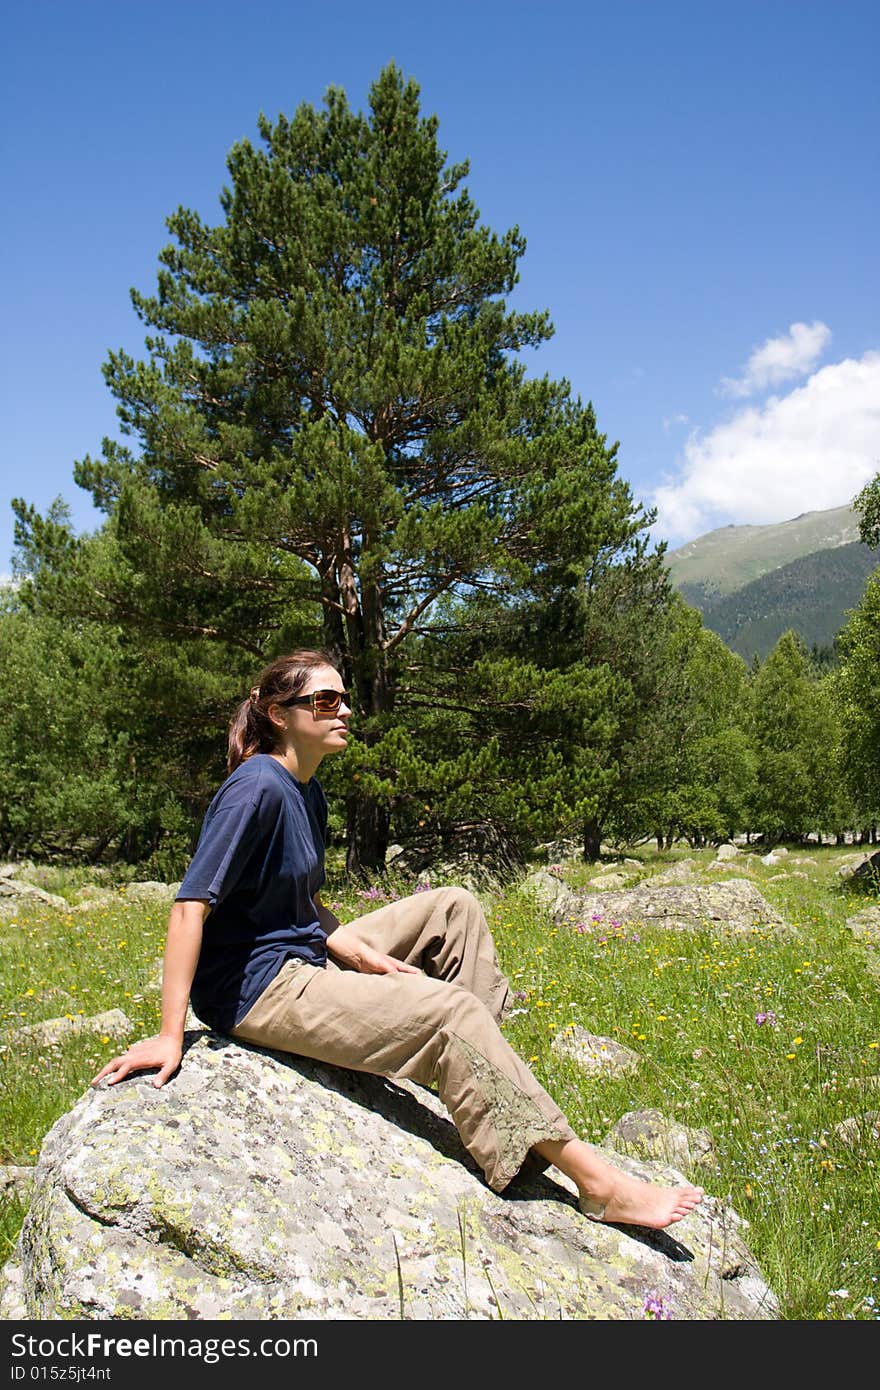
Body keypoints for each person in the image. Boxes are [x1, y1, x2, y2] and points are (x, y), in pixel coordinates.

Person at [93, 649, 703, 1230]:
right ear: (280, 716)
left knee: (454, 908)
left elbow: (295, 898)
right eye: (326, 701)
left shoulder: (306, 788)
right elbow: (189, 906)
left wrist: (353, 950)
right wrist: (171, 1033)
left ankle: (488, 1095)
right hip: (257, 987)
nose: (345, 711)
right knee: (449, 1012)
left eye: (344, 699)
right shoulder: (256, 786)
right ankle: (598, 1185)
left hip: (305, 951)